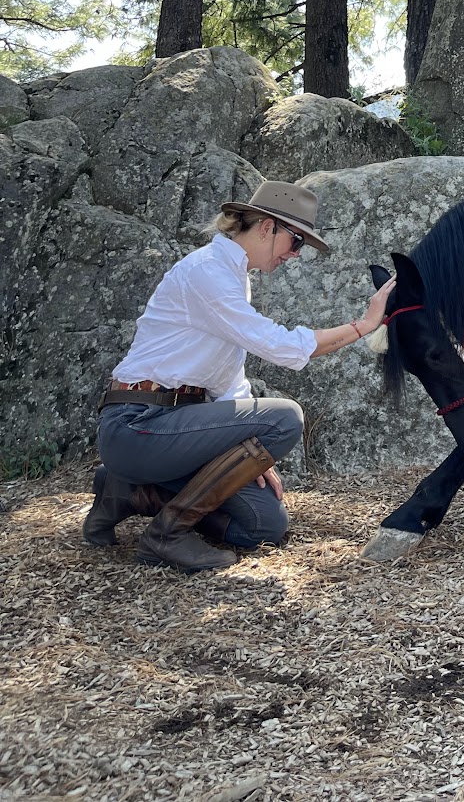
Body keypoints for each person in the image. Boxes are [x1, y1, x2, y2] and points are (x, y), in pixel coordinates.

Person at [83, 180, 395, 573]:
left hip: (178, 430)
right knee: (285, 417)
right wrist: (365, 325)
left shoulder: (233, 278)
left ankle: (126, 491)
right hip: (138, 425)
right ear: (267, 227)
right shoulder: (206, 272)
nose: (294, 255)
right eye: (296, 242)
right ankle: (167, 535)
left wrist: (251, 450)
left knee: (264, 525)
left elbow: (229, 377)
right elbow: (279, 346)